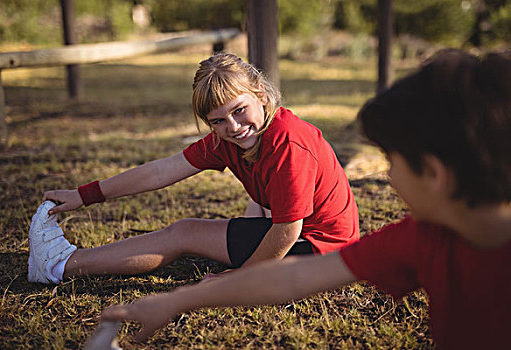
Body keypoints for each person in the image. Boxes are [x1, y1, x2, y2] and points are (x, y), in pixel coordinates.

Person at [101, 49, 511, 349]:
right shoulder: (424, 237)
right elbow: (292, 278)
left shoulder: (291, 143)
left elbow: (290, 241)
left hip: (309, 238)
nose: (386, 175)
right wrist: (178, 301)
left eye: (391, 161)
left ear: (434, 174)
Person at [28, 52, 359, 285]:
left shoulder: (287, 141)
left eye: (240, 110)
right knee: (255, 205)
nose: (233, 126)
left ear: (260, 95)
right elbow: (161, 171)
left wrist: (240, 279)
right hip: (303, 238)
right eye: (218, 121)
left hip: (325, 255)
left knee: (184, 232)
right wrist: (84, 196)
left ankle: (60, 265)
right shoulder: (225, 139)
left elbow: (288, 230)